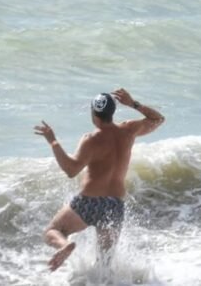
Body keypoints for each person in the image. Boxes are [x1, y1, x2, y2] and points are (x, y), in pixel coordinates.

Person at [34, 88, 165, 272]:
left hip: (89, 202)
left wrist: (53, 142)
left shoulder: (91, 139)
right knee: (104, 265)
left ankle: (65, 246)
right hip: (114, 206)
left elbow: (71, 170)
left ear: (94, 114)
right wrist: (133, 103)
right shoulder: (128, 130)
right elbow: (158, 119)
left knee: (52, 231)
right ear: (112, 112)